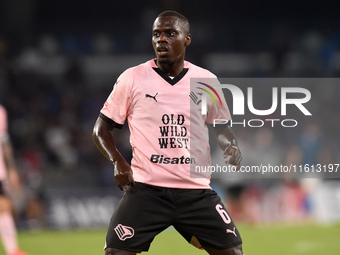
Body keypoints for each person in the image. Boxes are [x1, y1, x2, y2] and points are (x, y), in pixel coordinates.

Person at [93, 10, 244, 255]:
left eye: (170, 33)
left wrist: (231, 145)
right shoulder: (132, 78)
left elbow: (221, 127)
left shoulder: (206, 80)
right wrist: (118, 161)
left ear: (187, 39)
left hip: (195, 191)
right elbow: (101, 129)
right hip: (146, 189)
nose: (161, 39)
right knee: (115, 252)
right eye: (156, 34)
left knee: (233, 253)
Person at [0, 104, 28, 255]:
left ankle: (12, 250)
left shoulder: (1, 112)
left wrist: (11, 169)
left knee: (4, 206)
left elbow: (4, 142)